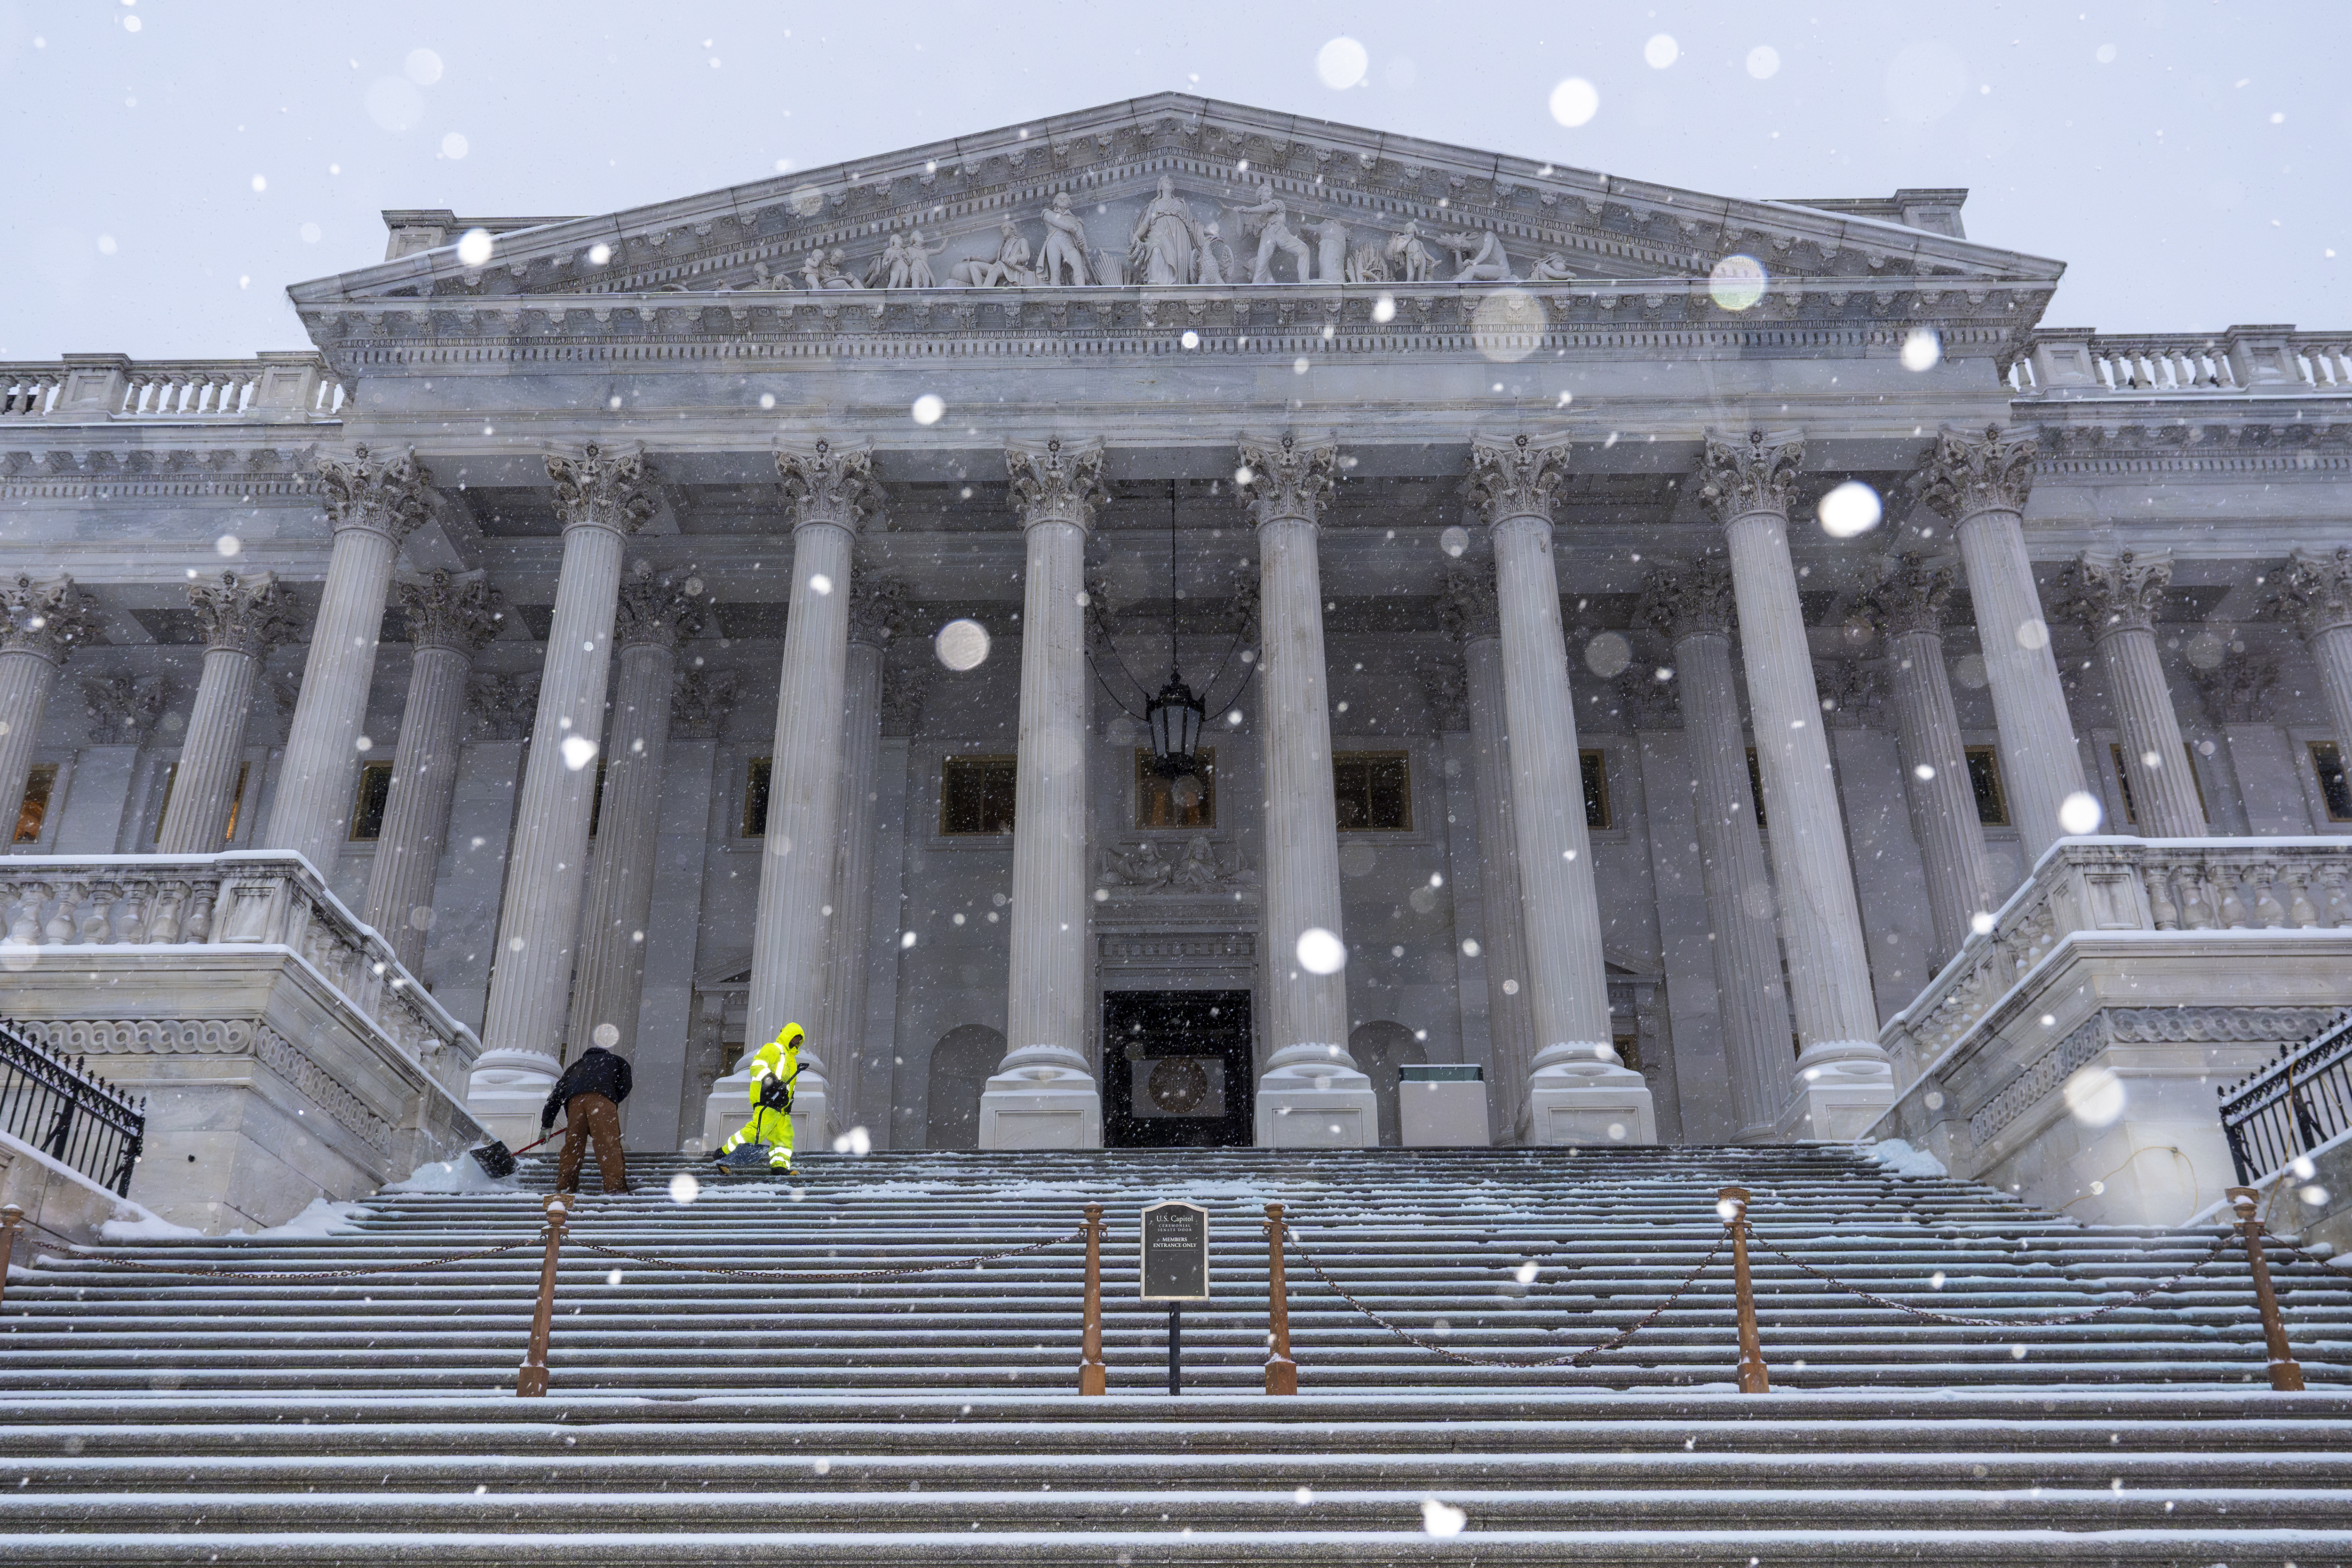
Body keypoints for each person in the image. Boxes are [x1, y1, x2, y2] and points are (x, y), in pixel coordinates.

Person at [541, 1040, 634, 1195]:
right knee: (607, 1144)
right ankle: (615, 1188)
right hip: (602, 1099)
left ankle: (565, 1187)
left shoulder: (576, 1067)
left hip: (575, 1103)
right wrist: (613, 1099)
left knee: (573, 1147)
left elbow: (556, 1096)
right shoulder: (616, 1061)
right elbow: (626, 1084)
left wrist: (547, 1125)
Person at [716, 1021, 803, 1171]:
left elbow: (790, 1087)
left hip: (781, 1106)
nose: (797, 1042)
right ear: (788, 1035)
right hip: (768, 1098)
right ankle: (724, 1153)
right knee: (758, 1130)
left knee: (784, 1137)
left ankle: (780, 1166)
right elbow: (758, 1066)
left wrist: (788, 1103)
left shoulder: (793, 1061)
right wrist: (773, 1082)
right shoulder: (773, 1049)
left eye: (799, 1040)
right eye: (795, 1038)